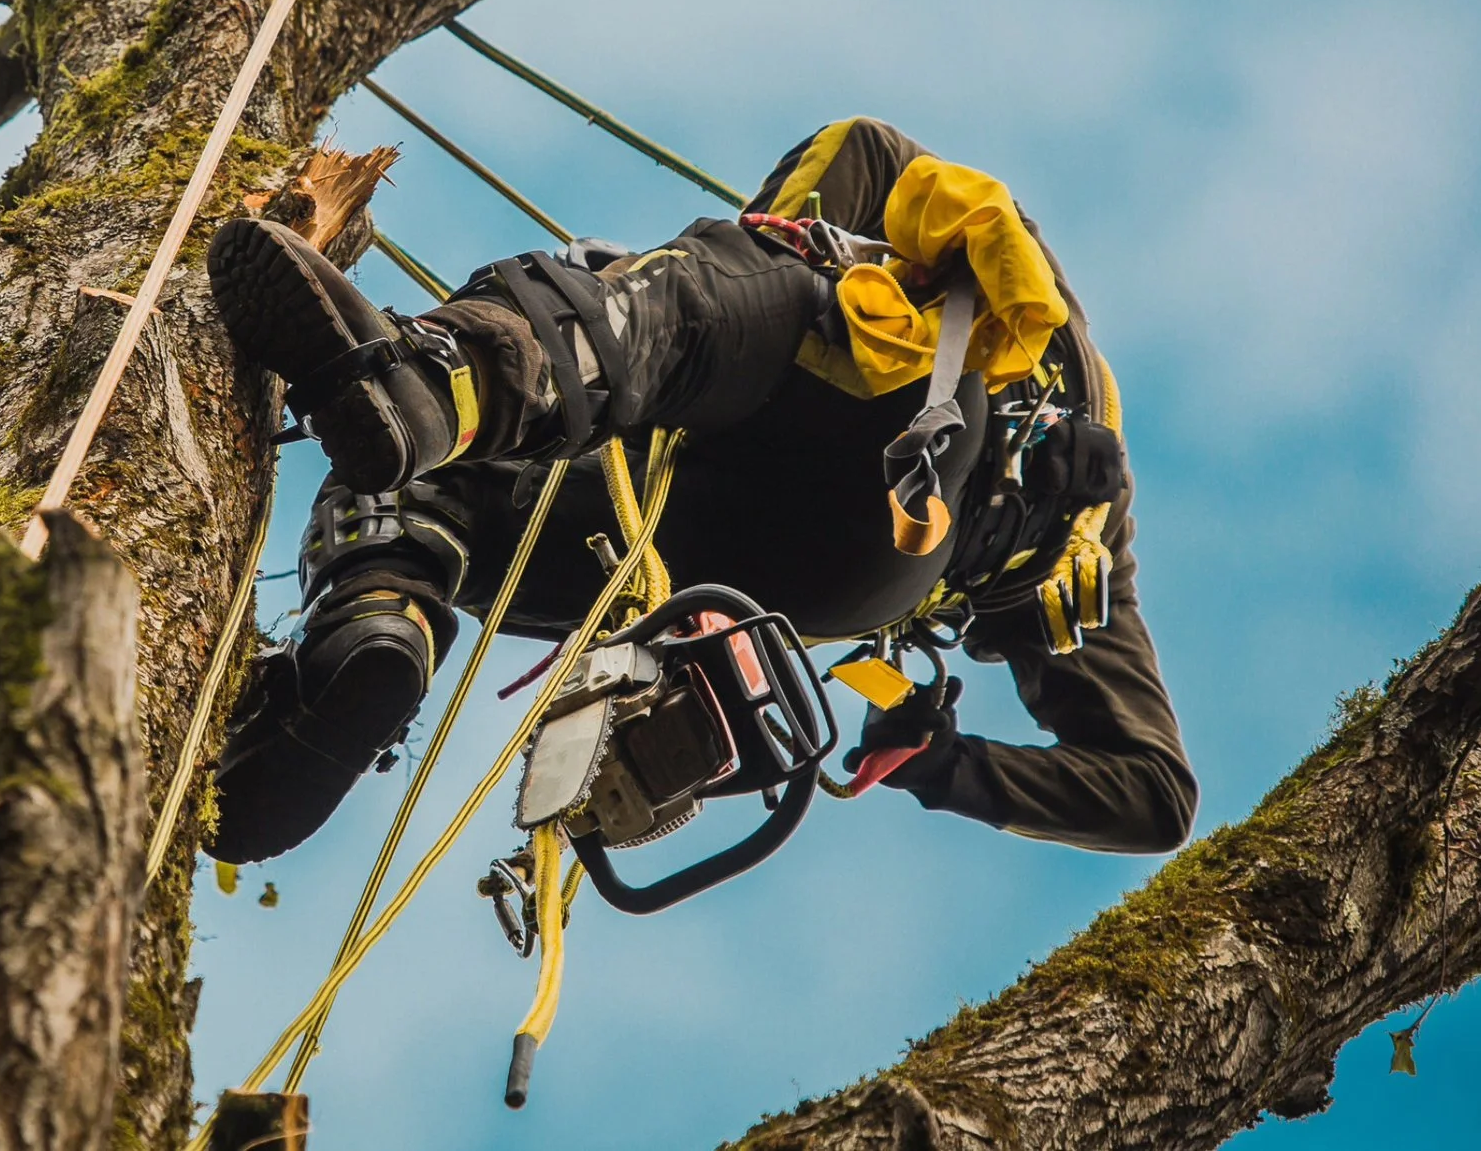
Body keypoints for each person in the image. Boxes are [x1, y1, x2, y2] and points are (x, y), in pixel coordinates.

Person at [204, 117, 1196, 864]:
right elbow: (1152, 793)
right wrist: (942, 764)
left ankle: (442, 383)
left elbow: (779, 228)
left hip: (892, 455)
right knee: (418, 479)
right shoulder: (1091, 559)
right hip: (802, 575)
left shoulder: (893, 191)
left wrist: (662, 293)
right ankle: (374, 639)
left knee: (722, 287)